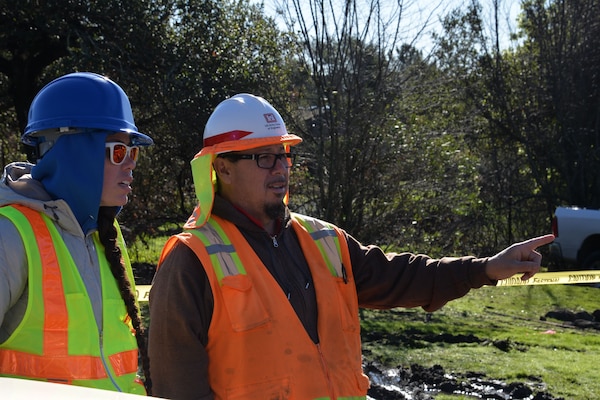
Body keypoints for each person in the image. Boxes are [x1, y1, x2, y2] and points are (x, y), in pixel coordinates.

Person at [148, 93, 554, 400]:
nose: (281, 168)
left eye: (285, 155)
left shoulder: (324, 240)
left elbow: (403, 276)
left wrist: (484, 268)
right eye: (264, 158)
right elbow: (175, 389)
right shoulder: (191, 260)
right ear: (222, 167)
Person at [0, 72, 153, 395]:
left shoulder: (106, 236)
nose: (131, 165)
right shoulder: (10, 234)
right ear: (74, 152)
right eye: (118, 152)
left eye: (134, 152)